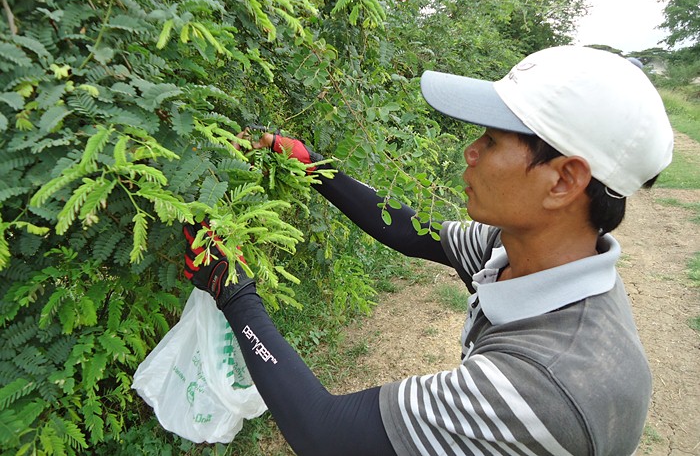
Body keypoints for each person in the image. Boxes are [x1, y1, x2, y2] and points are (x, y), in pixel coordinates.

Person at [183, 45, 674, 455]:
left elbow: (325, 433)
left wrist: (234, 293)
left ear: (564, 180)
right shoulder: (522, 251)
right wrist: (313, 166)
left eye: (493, 139)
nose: (471, 152)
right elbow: (413, 232)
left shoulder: (544, 385)